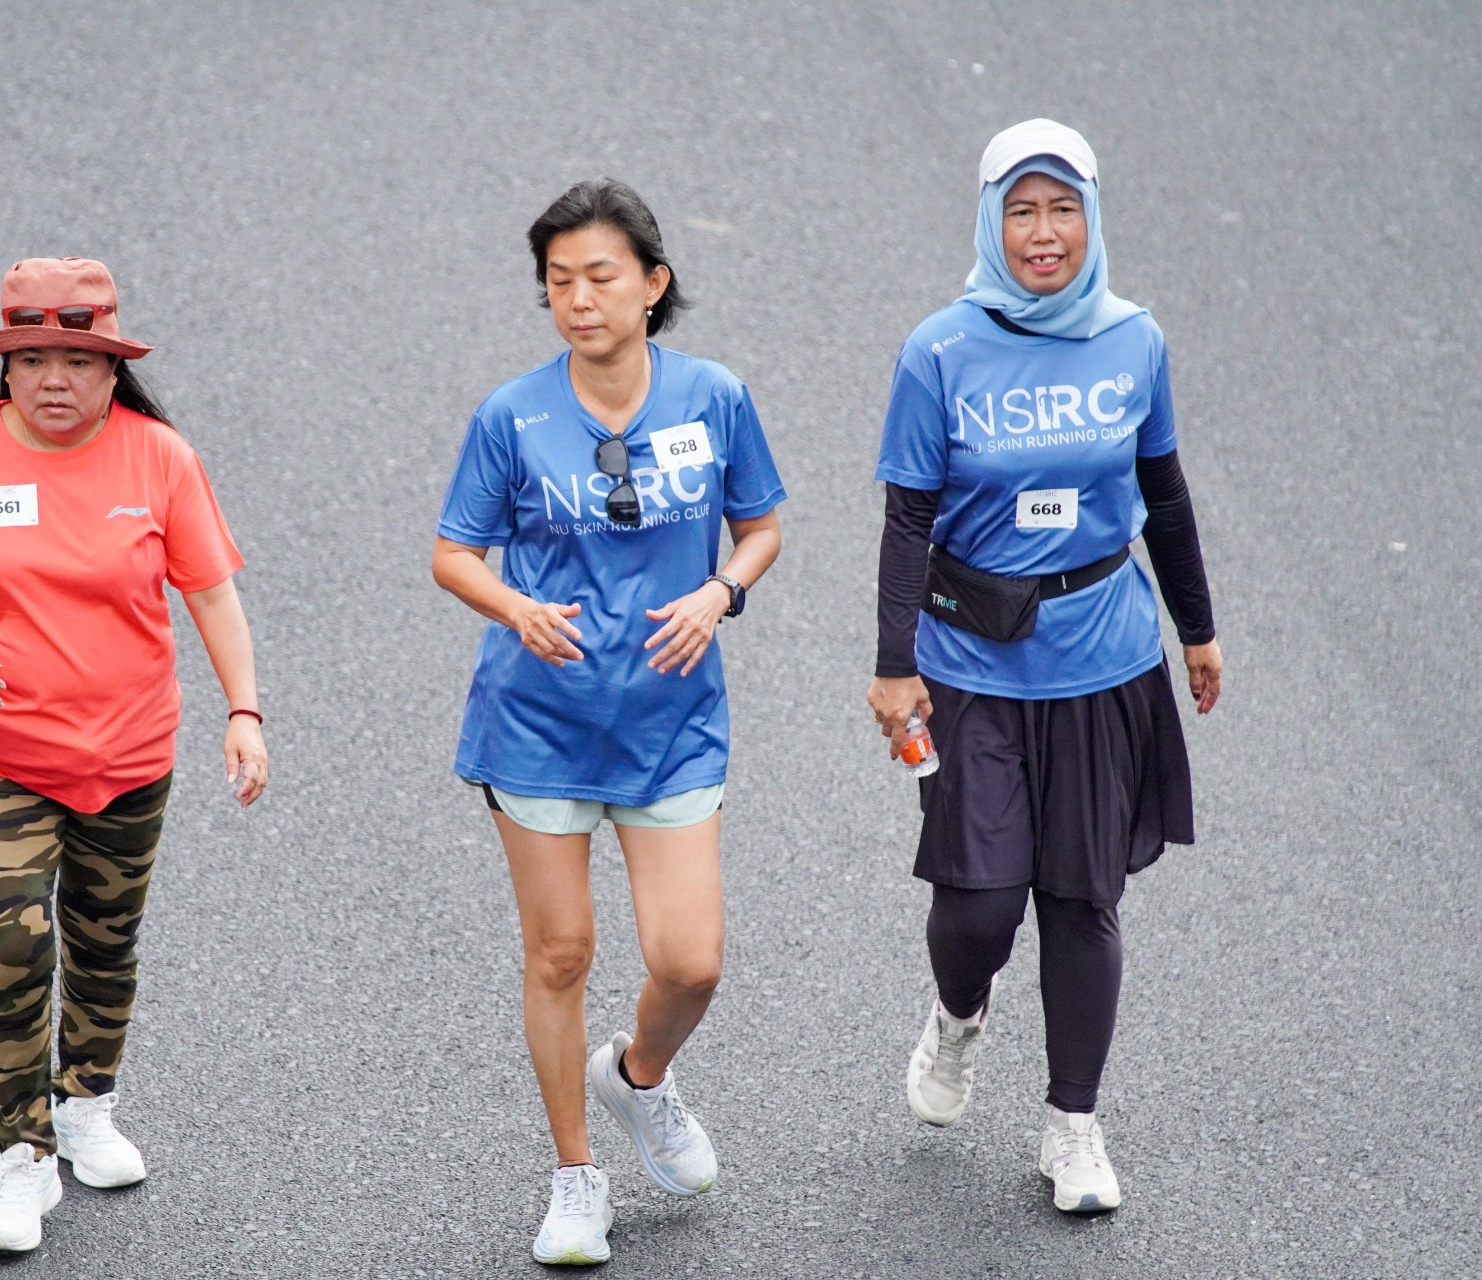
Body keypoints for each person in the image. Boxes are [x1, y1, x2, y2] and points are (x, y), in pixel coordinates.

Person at [0, 257, 268, 1252]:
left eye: (78, 360)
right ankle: (22, 1156)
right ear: (5, 368)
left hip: (127, 753)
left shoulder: (158, 458)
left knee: (103, 940)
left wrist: (244, 709)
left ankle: (87, 1102)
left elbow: (210, 590)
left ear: (112, 368)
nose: (55, 378)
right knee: (14, 945)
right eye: (32, 359)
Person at [867, 119, 1222, 1214]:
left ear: (1092, 217)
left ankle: (1073, 1124)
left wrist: (1196, 627)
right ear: (990, 220)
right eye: (1020, 209)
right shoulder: (939, 351)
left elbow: (1162, 491)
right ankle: (958, 1013)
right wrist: (892, 666)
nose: (1043, 232)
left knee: (1082, 897)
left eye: (1063, 207)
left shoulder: (1133, 340)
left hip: (1103, 657)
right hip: (971, 660)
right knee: (977, 902)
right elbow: (907, 519)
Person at [433, 180, 785, 1264]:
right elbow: (453, 553)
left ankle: (637, 1075)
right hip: (538, 722)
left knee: (691, 960)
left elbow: (761, 526)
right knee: (561, 953)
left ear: (652, 283)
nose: (578, 300)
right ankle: (575, 1175)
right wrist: (515, 608)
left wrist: (720, 591)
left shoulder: (713, 397)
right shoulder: (512, 415)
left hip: (670, 721)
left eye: (599, 277)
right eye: (558, 282)